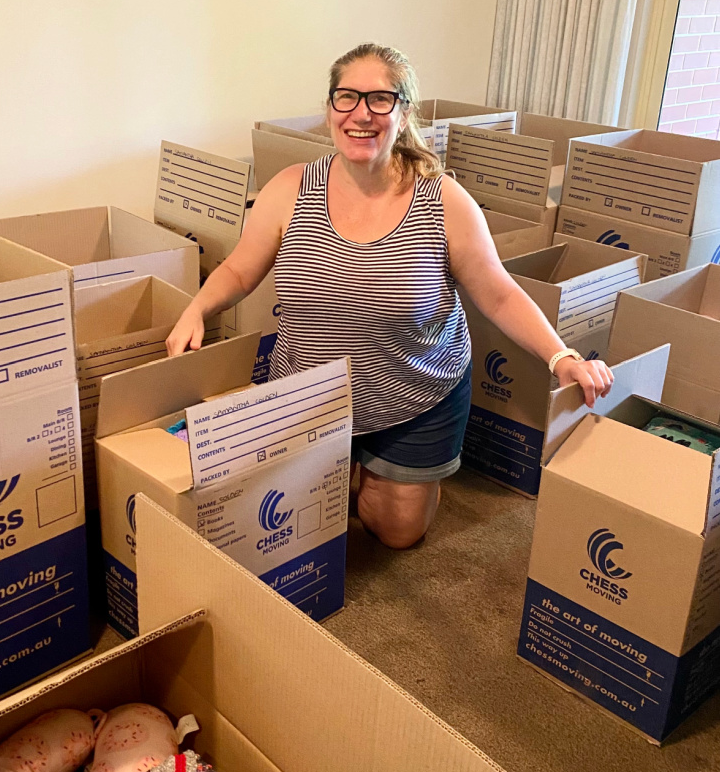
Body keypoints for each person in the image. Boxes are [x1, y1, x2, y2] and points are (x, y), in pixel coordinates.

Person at [166, 43, 614, 550]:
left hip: (416, 392)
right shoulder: (289, 190)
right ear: (330, 110)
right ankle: (363, 466)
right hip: (309, 389)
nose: (362, 113)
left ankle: (405, 477)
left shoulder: (444, 200)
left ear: (403, 114)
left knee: (394, 532)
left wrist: (562, 357)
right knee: (307, 519)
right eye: (347, 97)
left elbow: (500, 293)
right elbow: (240, 268)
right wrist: (198, 308)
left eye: (381, 99)